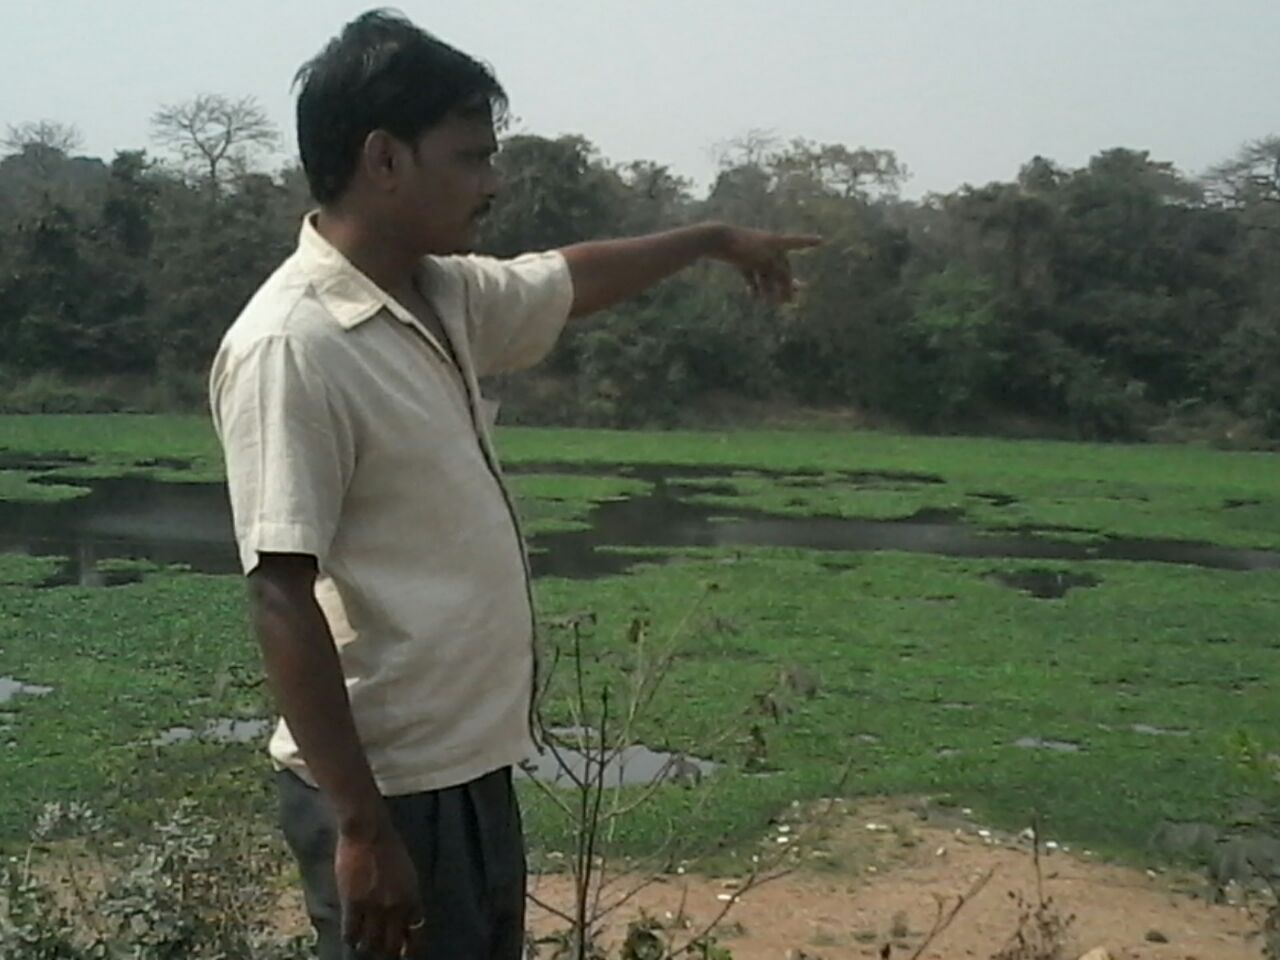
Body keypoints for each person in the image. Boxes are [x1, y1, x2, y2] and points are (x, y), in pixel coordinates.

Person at [209, 9, 818, 959]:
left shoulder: (440, 293)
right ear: (384, 160)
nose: (491, 183)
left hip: (471, 768)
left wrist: (707, 238)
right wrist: (363, 829)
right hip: (388, 788)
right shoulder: (295, 345)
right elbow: (279, 589)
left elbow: (565, 280)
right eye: (470, 157)